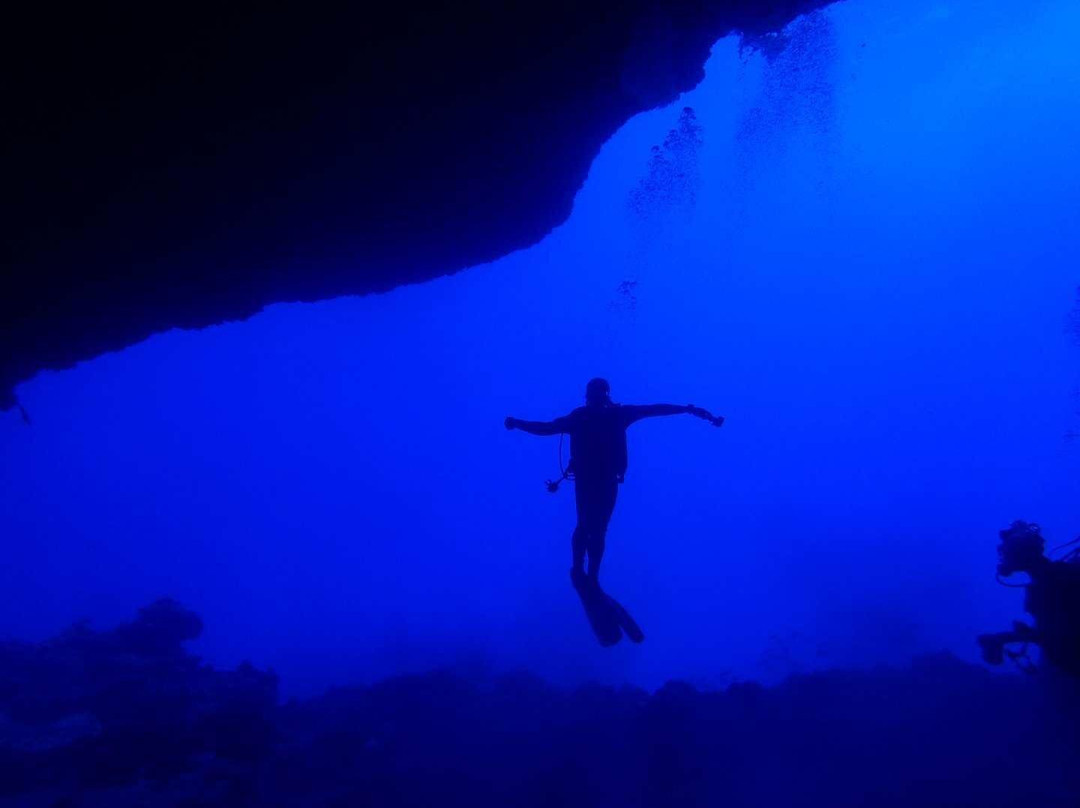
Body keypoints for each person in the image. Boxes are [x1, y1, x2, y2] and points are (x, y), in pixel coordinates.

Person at [505, 378, 723, 590]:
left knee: (589, 527)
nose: (595, 398)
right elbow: (654, 409)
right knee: (593, 528)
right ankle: (586, 574)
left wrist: (518, 424)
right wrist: (687, 409)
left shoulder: (594, 416)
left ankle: (584, 573)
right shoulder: (610, 415)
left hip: (597, 480)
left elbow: (547, 428)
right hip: (600, 480)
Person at [977, 520, 1080, 677]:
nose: (1002, 555)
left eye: (1006, 551)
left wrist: (1005, 638)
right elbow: (1055, 633)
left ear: (1021, 554)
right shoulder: (1045, 582)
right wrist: (1012, 637)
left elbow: (1064, 635)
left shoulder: (1056, 579)